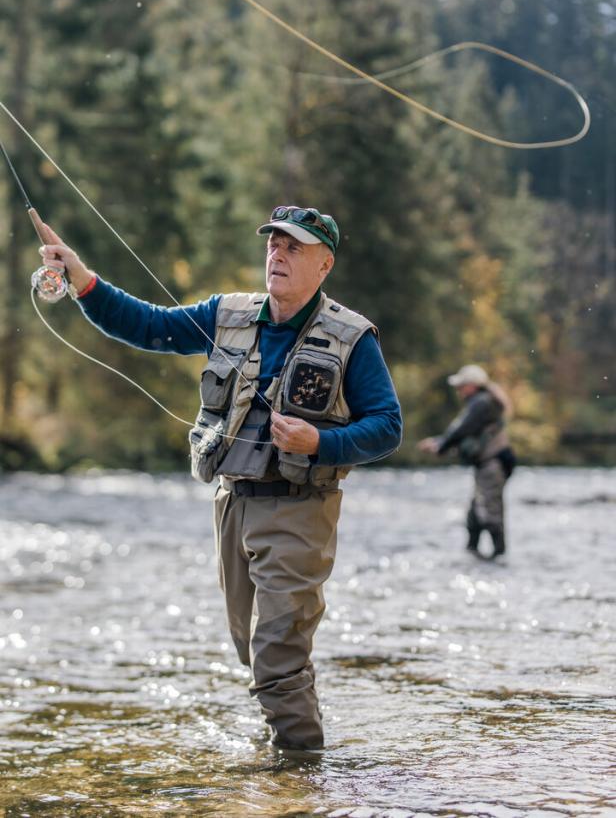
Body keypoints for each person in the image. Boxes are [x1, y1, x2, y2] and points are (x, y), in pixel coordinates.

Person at [38, 205, 402, 750]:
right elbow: (147, 326)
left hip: (299, 508)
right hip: (231, 504)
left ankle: (300, 779)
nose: (277, 254)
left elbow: (387, 426)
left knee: (277, 651)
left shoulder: (353, 338)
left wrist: (320, 442)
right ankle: (299, 757)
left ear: (324, 265)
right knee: (252, 647)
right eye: (273, 244)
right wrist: (82, 279)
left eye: (293, 247)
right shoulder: (227, 314)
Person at [419, 364, 515, 559]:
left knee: (489, 513)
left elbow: (460, 430)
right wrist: (439, 442)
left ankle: (499, 558)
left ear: (472, 385)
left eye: (461, 385)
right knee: (475, 515)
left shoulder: (481, 402)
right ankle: (474, 556)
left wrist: (440, 446)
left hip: (492, 464)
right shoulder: (483, 401)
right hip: (491, 464)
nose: (458, 390)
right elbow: (464, 433)